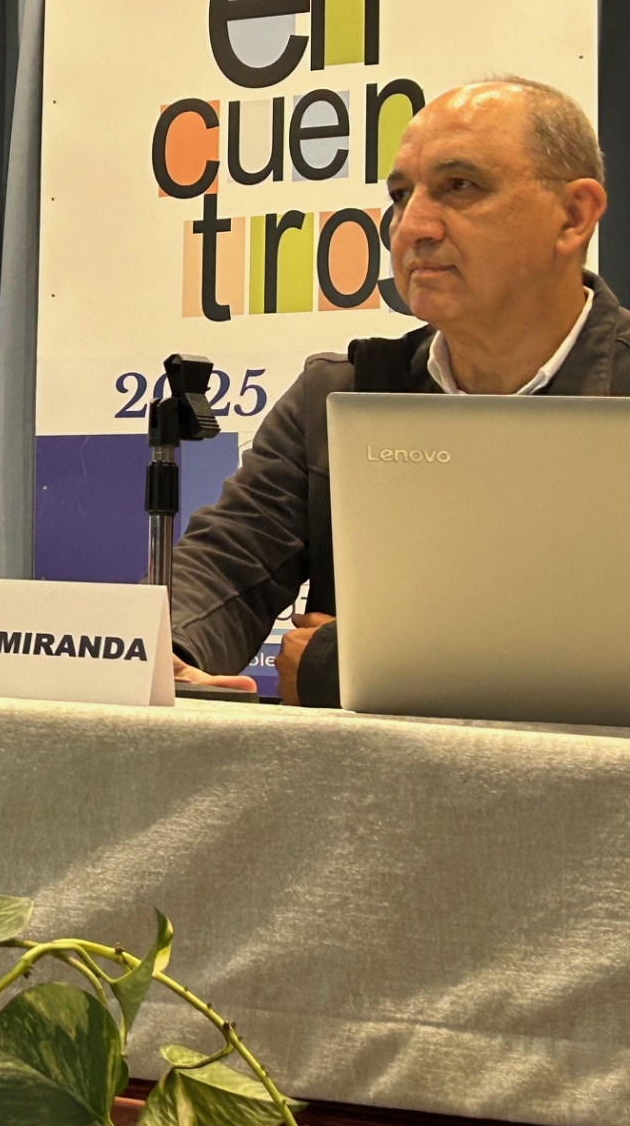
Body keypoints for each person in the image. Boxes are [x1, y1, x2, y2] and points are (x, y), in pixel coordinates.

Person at [170, 77, 628, 704]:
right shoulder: (342, 394)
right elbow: (227, 564)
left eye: (460, 186)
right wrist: (165, 654)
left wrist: (341, 662)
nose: (412, 227)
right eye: (401, 196)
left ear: (573, 215)